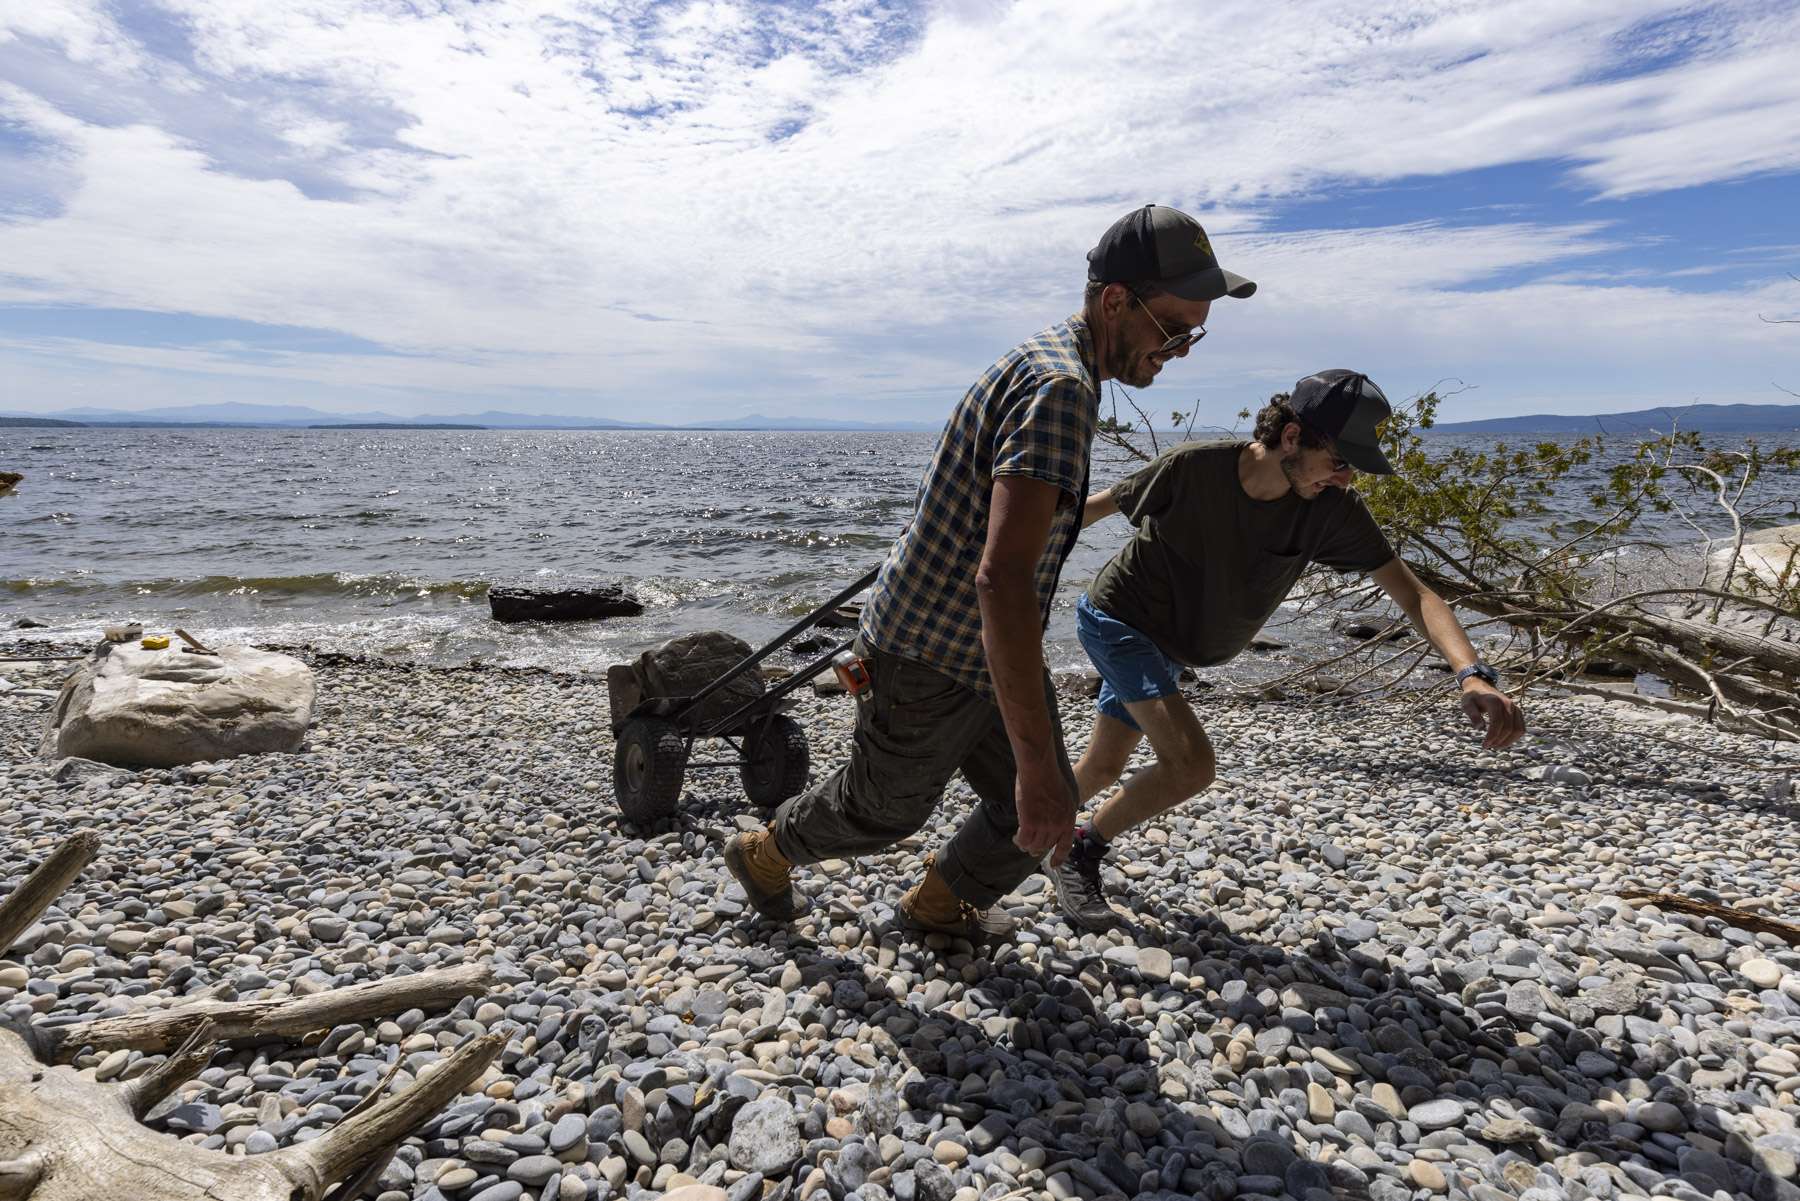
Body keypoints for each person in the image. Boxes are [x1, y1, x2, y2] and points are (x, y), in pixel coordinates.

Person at [723, 204, 1257, 939]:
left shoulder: (1057, 367)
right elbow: (1000, 579)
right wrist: (1036, 762)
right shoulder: (1060, 391)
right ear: (1113, 302)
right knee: (887, 811)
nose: (1182, 349)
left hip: (991, 646)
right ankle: (763, 851)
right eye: (1172, 328)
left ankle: (939, 904)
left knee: (1041, 805)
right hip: (928, 649)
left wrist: (1040, 771)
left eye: (1195, 331)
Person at [1051, 369, 1528, 931]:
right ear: (1293, 436)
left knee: (1104, 765)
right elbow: (1093, 507)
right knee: (1191, 765)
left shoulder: (1331, 511)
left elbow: (1414, 593)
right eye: (1340, 461)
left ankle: (1013, 832)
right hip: (1119, 623)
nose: (1347, 479)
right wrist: (999, 559)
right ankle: (1078, 851)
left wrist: (1471, 673)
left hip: (1170, 651)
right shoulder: (1194, 468)